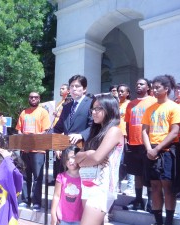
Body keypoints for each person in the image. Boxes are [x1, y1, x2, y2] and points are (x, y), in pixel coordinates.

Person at [75, 94, 123, 225]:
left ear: (109, 109)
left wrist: (89, 157)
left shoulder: (114, 131)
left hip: (102, 186)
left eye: (98, 109)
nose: (94, 113)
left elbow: (96, 158)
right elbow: (77, 158)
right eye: (93, 109)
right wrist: (89, 153)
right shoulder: (95, 131)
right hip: (88, 184)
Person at [141, 75, 180, 225]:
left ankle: (169, 221)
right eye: (153, 87)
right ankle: (158, 221)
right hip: (151, 150)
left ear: (166, 89)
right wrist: (149, 149)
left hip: (167, 150)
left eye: (157, 87)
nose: (154, 89)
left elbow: (174, 131)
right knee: (154, 186)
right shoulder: (149, 109)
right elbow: (144, 130)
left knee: (168, 187)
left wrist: (157, 149)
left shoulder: (174, 107)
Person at [123, 78, 156, 212]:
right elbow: (127, 123)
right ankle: (138, 200)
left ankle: (151, 201)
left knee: (149, 173)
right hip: (133, 143)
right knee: (137, 173)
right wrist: (127, 140)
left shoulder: (153, 101)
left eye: (141, 84)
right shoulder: (131, 104)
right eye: (137, 84)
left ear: (148, 87)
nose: (138, 86)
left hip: (148, 143)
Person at [16, 92, 51, 211]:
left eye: (36, 97)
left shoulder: (43, 112)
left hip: (38, 150)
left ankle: (36, 202)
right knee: (25, 176)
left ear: (39, 99)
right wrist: (24, 144)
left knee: (37, 177)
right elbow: (20, 131)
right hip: (24, 150)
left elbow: (45, 131)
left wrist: (31, 140)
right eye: (31, 97)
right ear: (28, 99)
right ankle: (25, 200)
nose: (33, 99)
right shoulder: (23, 112)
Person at [53, 74, 93, 145]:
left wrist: (82, 135)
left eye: (77, 86)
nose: (74, 89)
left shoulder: (91, 104)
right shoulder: (66, 106)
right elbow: (58, 128)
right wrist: (45, 135)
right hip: (66, 149)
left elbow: (94, 126)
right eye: (71, 86)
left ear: (84, 89)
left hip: (84, 148)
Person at [51, 145, 83, 225]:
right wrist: (53, 214)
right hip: (63, 218)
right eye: (67, 159)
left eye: (73, 157)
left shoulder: (84, 177)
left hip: (79, 218)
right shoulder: (61, 177)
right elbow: (56, 196)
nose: (70, 161)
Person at [116, 84, 134, 195]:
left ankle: (130, 186)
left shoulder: (130, 104)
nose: (120, 93)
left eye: (123, 91)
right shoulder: (115, 104)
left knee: (128, 162)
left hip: (126, 136)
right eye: (119, 91)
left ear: (128, 93)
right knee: (116, 162)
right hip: (115, 136)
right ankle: (116, 186)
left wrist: (129, 136)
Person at [50, 84, 70, 185]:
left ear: (68, 91)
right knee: (56, 157)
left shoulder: (68, 102)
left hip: (63, 133)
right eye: (60, 88)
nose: (61, 90)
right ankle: (56, 178)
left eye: (63, 89)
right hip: (57, 131)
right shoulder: (59, 102)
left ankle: (63, 179)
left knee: (62, 158)